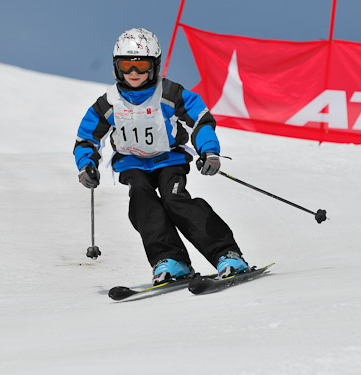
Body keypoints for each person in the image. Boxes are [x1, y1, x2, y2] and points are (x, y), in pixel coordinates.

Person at [73, 28, 248, 285]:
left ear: (154, 66)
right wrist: (86, 165)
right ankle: (171, 260)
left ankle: (226, 254)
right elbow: (86, 139)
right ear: (116, 67)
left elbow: (200, 119)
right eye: (126, 66)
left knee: (174, 199)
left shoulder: (169, 93)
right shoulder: (108, 103)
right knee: (141, 200)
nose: (134, 73)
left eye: (141, 66)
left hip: (169, 159)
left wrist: (209, 151)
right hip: (132, 163)